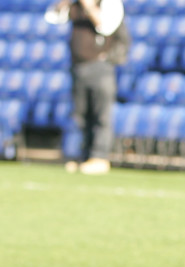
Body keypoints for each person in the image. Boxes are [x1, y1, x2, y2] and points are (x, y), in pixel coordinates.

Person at [49, 0, 127, 175]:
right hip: (79, 67)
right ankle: (84, 156)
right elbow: (53, 17)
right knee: (81, 115)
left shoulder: (109, 3)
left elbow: (105, 26)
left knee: (101, 115)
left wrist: (89, 6)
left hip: (101, 67)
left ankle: (99, 157)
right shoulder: (76, 6)